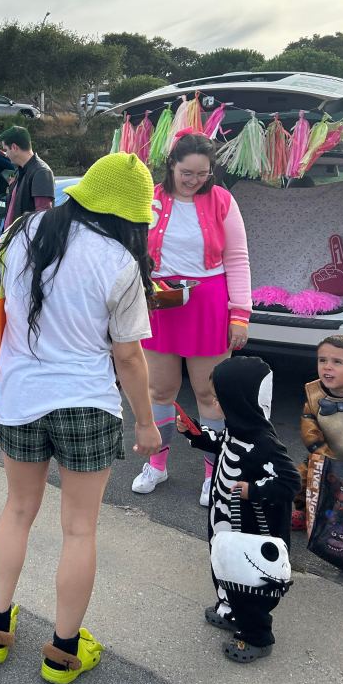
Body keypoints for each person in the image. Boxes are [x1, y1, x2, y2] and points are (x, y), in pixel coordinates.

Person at [0, 153, 161, 684]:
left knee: (17, 511)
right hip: (86, 403)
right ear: (131, 215)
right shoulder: (120, 263)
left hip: (19, 398)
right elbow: (128, 357)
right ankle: (61, 652)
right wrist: (146, 423)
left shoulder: (23, 231)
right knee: (79, 529)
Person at [132, 130, 252, 505]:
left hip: (209, 304)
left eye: (202, 173)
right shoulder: (148, 197)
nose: (195, 180)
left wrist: (240, 315)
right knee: (159, 391)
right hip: (160, 302)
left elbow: (237, 258)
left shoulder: (222, 201)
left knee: (210, 395)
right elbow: (131, 249)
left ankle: (212, 473)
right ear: (172, 165)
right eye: (188, 172)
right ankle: (157, 463)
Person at [176, 357, 300, 662]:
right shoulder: (237, 430)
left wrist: (253, 490)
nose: (215, 402)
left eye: (220, 398)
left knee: (249, 580)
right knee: (224, 568)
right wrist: (194, 434)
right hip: (223, 519)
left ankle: (257, 635)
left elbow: (290, 482)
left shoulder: (263, 443)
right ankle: (230, 608)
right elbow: (222, 444)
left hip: (250, 528)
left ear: (239, 401)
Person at [294, 335, 343, 527]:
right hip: (324, 456)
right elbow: (308, 425)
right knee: (301, 481)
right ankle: (304, 511)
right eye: (322, 360)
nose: (327, 366)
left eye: (337, 362)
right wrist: (321, 451)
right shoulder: (314, 396)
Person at [0, 125, 55, 229]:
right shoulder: (20, 171)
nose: (6, 154)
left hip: (28, 243)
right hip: (16, 241)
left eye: (6, 149)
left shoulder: (41, 172)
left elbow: (43, 218)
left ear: (15, 147)